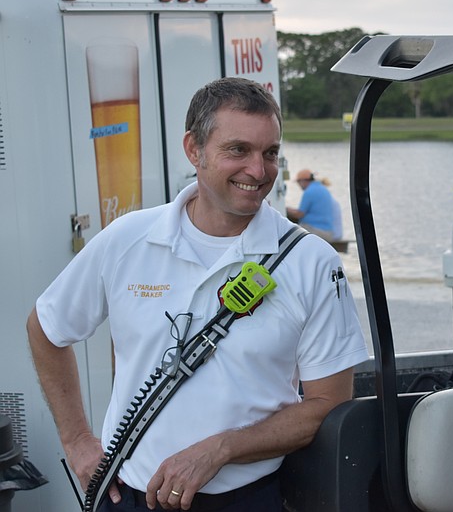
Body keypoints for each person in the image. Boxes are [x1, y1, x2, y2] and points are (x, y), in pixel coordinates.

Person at [26, 77, 369, 511]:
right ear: (194, 150)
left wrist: (221, 448)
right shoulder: (128, 238)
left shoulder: (312, 262)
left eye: (270, 153)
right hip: (126, 495)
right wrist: (76, 440)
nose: (259, 172)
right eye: (237, 150)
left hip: (249, 499)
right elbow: (45, 328)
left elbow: (329, 403)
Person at [286, 170, 343, 243]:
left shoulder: (309, 191)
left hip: (319, 232)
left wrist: (286, 210)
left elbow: (299, 214)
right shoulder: (323, 188)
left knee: (292, 230)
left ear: (303, 181)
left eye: (298, 182)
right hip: (329, 232)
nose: (299, 185)